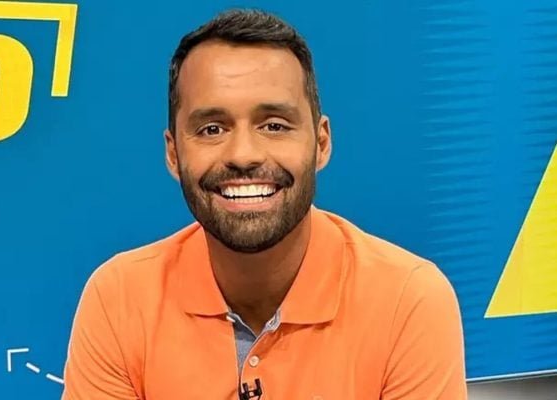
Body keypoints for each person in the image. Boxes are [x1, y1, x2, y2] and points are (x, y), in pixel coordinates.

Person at [62, 8, 467, 400]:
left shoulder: (407, 300)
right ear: (173, 153)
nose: (244, 154)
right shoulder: (120, 299)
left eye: (274, 125)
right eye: (212, 129)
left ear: (321, 142)